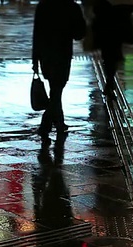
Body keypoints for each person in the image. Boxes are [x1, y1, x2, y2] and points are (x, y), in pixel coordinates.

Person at [32, 0, 86, 145]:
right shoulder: (71, 6)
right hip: (62, 54)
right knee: (57, 90)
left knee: (55, 89)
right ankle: (46, 124)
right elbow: (79, 33)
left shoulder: (43, 5)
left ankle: (58, 123)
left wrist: (35, 59)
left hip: (46, 55)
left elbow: (36, 34)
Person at [91, 0, 133, 96]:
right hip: (116, 30)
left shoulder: (103, 8)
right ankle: (110, 80)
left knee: (108, 57)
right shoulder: (122, 9)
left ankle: (110, 80)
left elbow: (96, 12)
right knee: (113, 55)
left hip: (106, 30)